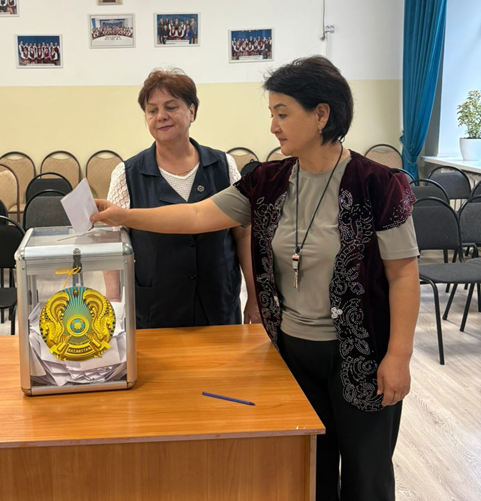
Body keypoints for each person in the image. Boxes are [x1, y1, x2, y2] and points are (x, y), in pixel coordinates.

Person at [92, 56, 420, 501]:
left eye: (282, 113)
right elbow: (195, 215)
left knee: (368, 475)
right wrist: (122, 215)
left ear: (321, 115)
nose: (273, 127)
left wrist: (399, 355)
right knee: (309, 469)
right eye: (271, 114)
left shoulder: (379, 184)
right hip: (291, 354)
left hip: (362, 354)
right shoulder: (267, 182)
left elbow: (404, 275)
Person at [104, 68, 260, 330]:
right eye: (152, 110)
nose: (161, 116)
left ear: (192, 112)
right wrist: (114, 302)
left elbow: (244, 235)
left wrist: (254, 296)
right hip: (156, 312)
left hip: (219, 307)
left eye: (171, 107)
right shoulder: (126, 174)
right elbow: (113, 243)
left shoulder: (223, 165)